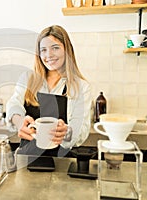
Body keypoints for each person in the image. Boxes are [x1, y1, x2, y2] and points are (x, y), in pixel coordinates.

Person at [6, 25, 92, 157]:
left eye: (55, 48)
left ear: (67, 50)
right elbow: (14, 104)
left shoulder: (81, 87)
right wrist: (18, 121)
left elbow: (82, 129)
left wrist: (67, 132)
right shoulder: (28, 79)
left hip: (62, 162)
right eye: (43, 50)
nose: (49, 55)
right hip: (27, 159)